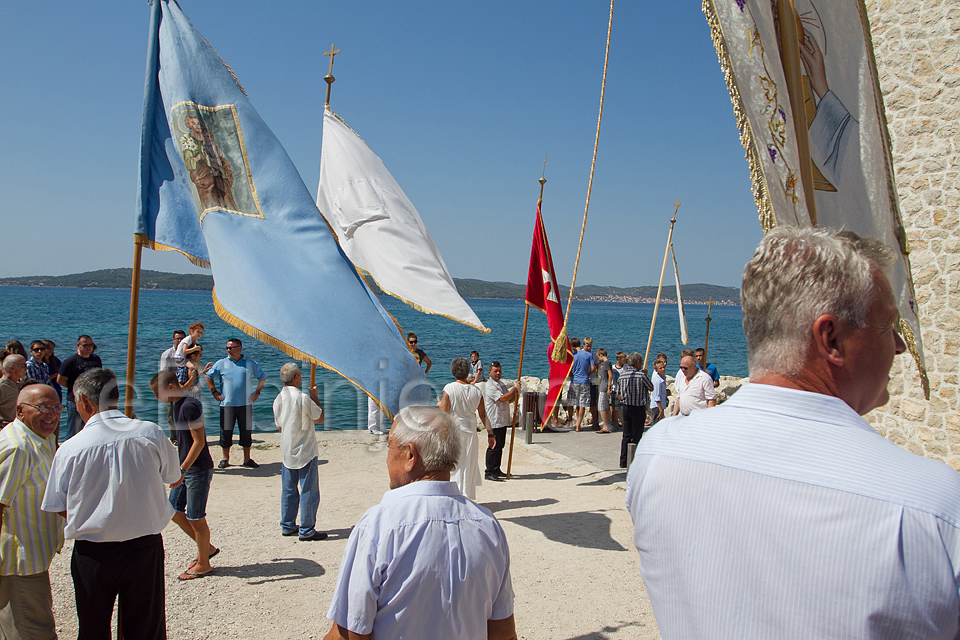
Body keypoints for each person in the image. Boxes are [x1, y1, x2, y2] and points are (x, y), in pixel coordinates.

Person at [625, 226, 960, 638]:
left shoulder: (660, 456)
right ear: (831, 338)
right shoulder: (935, 507)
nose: (898, 345)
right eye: (887, 325)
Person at [323, 406, 517, 640]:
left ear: (410, 455)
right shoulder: (488, 526)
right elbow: (503, 632)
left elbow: (349, 635)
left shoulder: (378, 527)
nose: (387, 458)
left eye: (390, 447)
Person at [42, 368, 181, 640]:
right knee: (144, 628)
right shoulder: (149, 432)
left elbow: (58, 504)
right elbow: (172, 476)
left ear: (82, 401)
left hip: (93, 551)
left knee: (93, 628)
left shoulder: (70, 448)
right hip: (143, 546)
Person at [0, 385, 64, 639]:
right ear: (20, 410)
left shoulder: (42, 438)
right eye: (43, 407)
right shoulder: (18, 448)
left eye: (57, 407)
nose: (52, 414)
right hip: (19, 562)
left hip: (34, 555)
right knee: (35, 630)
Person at [150, 370, 218, 580]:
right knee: (173, 510)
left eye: (157, 393)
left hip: (197, 469)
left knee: (196, 517)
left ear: (170, 387)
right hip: (185, 468)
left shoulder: (189, 406)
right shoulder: (177, 403)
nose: (157, 399)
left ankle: (204, 563)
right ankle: (206, 549)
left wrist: (182, 470)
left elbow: (199, 441)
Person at [273, 363, 327, 541]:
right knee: (308, 490)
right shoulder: (303, 398)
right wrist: (315, 397)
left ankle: (287, 524)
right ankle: (307, 529)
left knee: (288, 489)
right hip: (305, 449)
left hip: (288, 448)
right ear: (296, 377)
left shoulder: (278, 398)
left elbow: (280, 426)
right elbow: (319, 417)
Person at [205, 338, 266, 468]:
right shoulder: (221, 363)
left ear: (239, 348)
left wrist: (257, 392)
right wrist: (214, 391)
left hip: (245, 404)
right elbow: (208, 376)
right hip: (227, 404)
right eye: (227, 348)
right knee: (226, 433)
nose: (228, 350)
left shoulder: (250, 363)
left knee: (246, 433)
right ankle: (225, 459)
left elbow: (262, 377)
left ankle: (247, 459)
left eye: (231, 348)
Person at [439, 357, 494, 500]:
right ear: (468, 371)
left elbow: (444, 414)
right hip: (470, 431)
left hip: (454, 430)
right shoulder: (476, 391)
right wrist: (490, 433)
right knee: (468, 463)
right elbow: (482, 415)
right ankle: (467, 495)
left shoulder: (449, 389)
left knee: (455, 465)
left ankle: (455, 496)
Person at [56, 335, 102, 438]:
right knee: (74, 430)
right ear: (78, 345)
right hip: (75, 400)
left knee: (92, 429)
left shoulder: (96, 359)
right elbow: (60, 380)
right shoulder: (70, 362)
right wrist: (74, 388)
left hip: (92, 400)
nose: (88, 347)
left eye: (90, 345)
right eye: (85, 345)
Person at [483, 361, 522, 480]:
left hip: (502, 420)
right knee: (493, 446)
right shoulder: (490, 385)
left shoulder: (501, 384)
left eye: (499, 371)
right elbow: (502, 398)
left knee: (500, 445)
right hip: (494, 420)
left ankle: (496, 469)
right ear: (489, 372)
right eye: (495, 371)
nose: (498, 373)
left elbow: (507, 400)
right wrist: (514, 390)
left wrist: (516, 395)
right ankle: (489, 471)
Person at [616, 353, 652, 468]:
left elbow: (618, 393)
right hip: (638, 407)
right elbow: (651, 387)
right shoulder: (641, 376)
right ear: (637, 363)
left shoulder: (622, 376)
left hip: (626, 407)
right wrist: (645, 374)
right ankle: (635, 459)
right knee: (637, 435)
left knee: (626, 434)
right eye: (641, 362)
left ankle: (623, 460)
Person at [569, 338, 594, 432]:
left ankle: (572, 422)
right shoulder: (588, 355)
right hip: (585, 381)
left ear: (572, 346)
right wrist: (587, 375)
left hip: (575, 381)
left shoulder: (572, 356)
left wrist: (571, 377)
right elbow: (593, 368)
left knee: (574, 403)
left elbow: (569, 370)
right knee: (582, 404)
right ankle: (578, 426)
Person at [0, 356, 26, 428]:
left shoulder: (19, 385)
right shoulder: (2, 387)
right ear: (12, 368)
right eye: (23, 366)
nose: (26, 369)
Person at [583, 338, 601, 429]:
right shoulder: (581, 354)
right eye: (587, 345)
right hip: (583, 381)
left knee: (593, 402)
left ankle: (595, 422)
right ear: (583, 344)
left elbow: (597, 368)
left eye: (590, 345)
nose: (589, 347)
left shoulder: (593, 355)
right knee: (581, 403)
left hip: (592, 381)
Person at [595, 348, 614, 433]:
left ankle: (605, 426)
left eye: (598, 356)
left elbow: (610, 375)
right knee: (604, 406)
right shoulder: (607, 363)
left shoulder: (606, 363)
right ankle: (606, 425)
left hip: (604, 387)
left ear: (601, 355)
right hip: (604, 386)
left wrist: (609, 387)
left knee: (601, 407)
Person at [649, 358, 668, 426]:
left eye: (663, 367)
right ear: (656, 370)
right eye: (660, 368)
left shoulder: (663, 378)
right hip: (657, 406)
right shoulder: (657, 381)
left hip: (661, 405)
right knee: (656, 423)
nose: (663, 369)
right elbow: (657, 396)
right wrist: (660, 410)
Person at [610, 352, 626, 428]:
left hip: (623, 389)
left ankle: (615, 421)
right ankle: (614, 422)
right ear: (618, 359)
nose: (624, 360)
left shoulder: (626, 367)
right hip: (615, 389)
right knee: (614, 407)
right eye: (623, 358)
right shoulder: (613, 368)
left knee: (619, 407)